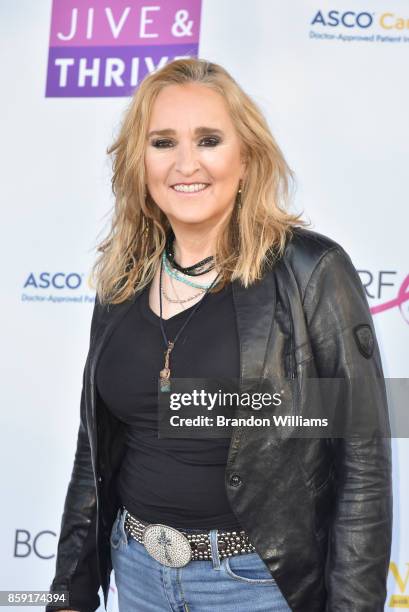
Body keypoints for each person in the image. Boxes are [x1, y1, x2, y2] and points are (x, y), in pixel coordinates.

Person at [46, 58, 392, 612]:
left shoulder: (310, 272)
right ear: (141, 162)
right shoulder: (122, 276)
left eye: (208, 140)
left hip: (256, 586)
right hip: (136, 575)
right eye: (162, 142)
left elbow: (362, 465)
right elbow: (95, 451)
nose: (186, 163)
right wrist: (70, 590)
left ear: (246, 158)